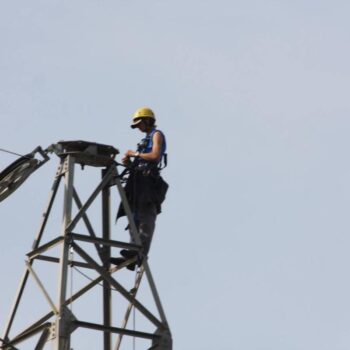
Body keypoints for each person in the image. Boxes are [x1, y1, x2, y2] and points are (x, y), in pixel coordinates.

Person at [111, 107, 168, 270]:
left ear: (148, 120)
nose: (139, 127)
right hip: (138, 181)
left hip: (148, 182)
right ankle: (132, 252)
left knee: (145, 218)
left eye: (140, 123)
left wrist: (135, 154)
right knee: (134, 218)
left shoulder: (157, 134)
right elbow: (143, 159)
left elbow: (155, 156)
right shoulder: (145, 140)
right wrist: (130, 162)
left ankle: (139, 253)